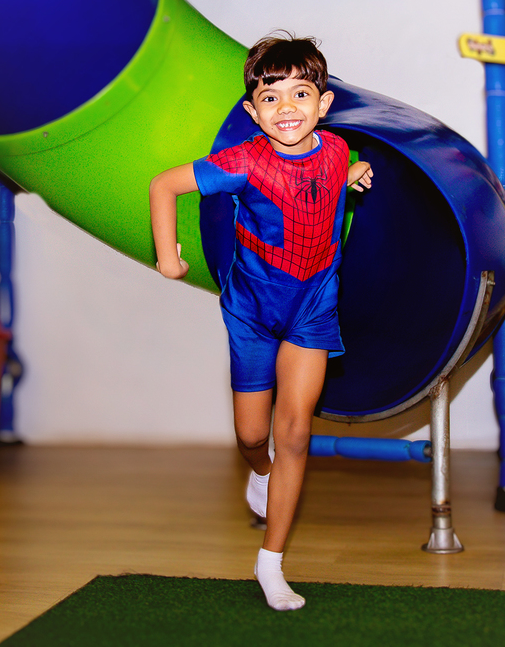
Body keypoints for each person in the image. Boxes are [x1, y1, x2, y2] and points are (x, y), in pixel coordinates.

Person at [149, 34, 373, 611]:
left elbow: (330, 175)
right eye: (271, 98)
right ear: (253, 112)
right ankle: (261, 470)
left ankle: (271, 562)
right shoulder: (243, 160)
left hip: (312, 306)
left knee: (294, 430)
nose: (287, 108)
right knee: (253, 436)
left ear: (323, 103)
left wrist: (354, 172)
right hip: (251, 311)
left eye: (301, 94)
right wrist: (168, 256)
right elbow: (164, 185)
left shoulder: (336, 148)